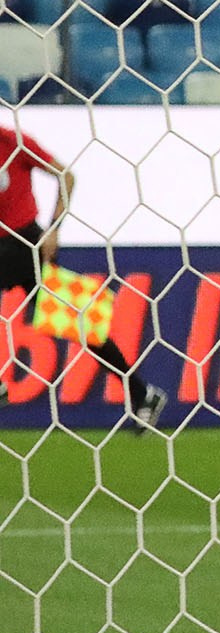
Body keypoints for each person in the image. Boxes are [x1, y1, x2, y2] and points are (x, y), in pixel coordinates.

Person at [0, 122, 165, 430]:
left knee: (79, 324)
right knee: (79, 323)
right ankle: (143, 393)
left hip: (26, 244)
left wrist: (54, 230)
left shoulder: (12, 141)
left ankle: (142, 393)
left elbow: (67, 176)